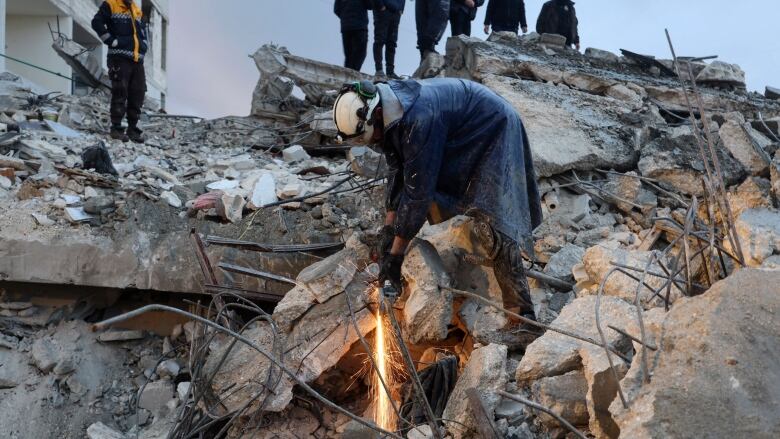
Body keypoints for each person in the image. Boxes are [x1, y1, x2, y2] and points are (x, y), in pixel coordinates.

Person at [332, 79, 543, 327]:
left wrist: (396, 256)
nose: (371, 142)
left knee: (494, 220)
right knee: (465, 207)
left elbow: (418, 195)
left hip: (494, 126)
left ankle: (523, 319)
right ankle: (521, 317)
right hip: (463, 127)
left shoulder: (418, 119)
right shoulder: (389, 111)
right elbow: (398, 171)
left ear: (376, 114)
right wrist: (389, 229)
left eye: (369, 137)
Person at [91, 0, 148, 143]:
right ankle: (116, 128)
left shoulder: (136, 9)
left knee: (138, 92)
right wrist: (110, 40)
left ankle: (132, 129)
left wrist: (144, 45)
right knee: (120, 91)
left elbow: (141, 32)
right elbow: (96, 23)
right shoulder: (111, 4)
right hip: (119, 58)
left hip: (137, 60)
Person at [334, 0, 372, 71]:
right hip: (360, 26)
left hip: (346, 27)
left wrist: (345, 17)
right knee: (360, 54)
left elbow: (336, 9)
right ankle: (354, 77)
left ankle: (347, 78)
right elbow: (370, 5)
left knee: (349, 56)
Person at [373, 0, 405, 78]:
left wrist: (401, 9)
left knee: (392, 43)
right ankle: (379, 69)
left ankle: (390, 72)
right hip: (383, 10)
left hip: (396, 12)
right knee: (380, 40)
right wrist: (380, 5)